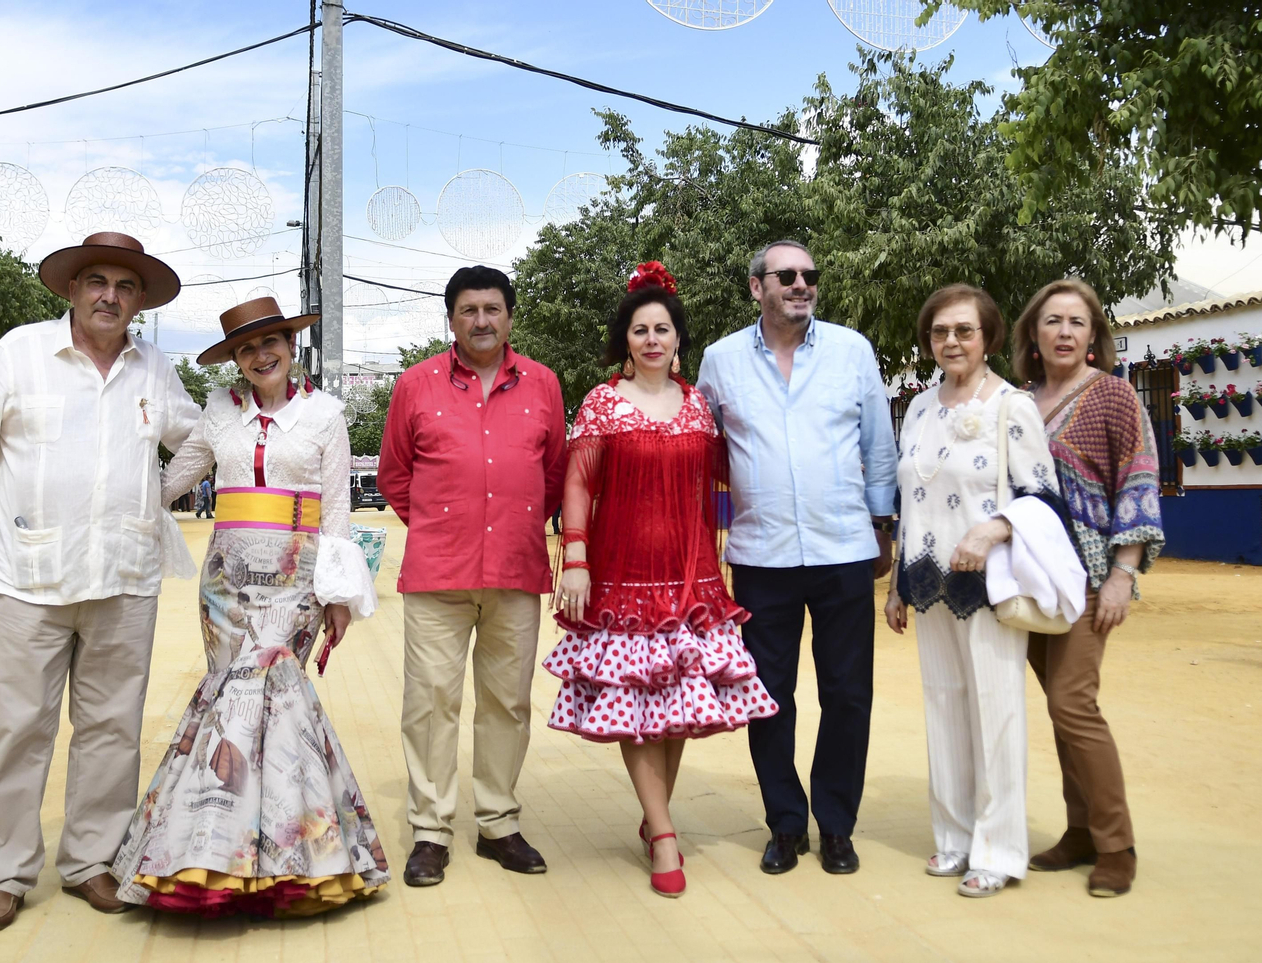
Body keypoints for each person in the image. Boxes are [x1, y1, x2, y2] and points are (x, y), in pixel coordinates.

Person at [0, 232, 201, 932]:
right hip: (30, 578)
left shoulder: (153, 369)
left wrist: (156, 494)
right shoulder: (20, 353)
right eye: (97, 281)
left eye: (125, 286)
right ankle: (6, 873)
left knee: (112, 728)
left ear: (139, 302)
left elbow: (199, 437)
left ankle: (92, 861)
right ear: (73, 290)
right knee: (16, 728)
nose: (110, 295)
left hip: (124, 577)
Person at [110, 296, 385, 917]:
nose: (261, 356)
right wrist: (108, 485)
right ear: (235, 359)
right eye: (246, 349)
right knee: (230, 702)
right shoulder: (217, 415)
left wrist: (338, 597)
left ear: (292, 347)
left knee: (272, 702)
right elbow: (172, 481)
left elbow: (338, 509)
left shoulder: (326, 414)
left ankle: (277, 862)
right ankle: (222, 858)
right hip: (225, 584)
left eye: (271, 344)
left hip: (298, 580)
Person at [544, 263, 778, 899]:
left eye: (663, 329)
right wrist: (578, 558)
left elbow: (727, 477)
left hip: (692, 576)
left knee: (675, 709)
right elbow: (578, 484)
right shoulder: (601, 402)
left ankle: (654, 818)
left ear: (679, 341)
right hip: (621, 577)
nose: (653, 339)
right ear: (626, 339)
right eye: (641, 329)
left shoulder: (700, 405)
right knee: (640, 712)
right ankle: (666, 833)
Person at [697, 240, 897, 876]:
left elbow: (879, 445)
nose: (801, 285)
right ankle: (785, 824)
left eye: (809, 275)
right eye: (786, 276)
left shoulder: (851, 351)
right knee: (768, 694)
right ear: (756, 287)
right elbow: (701, 450)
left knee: (847, 694)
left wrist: (882, 526)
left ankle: (836, 824)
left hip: (843, 549)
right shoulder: (721, 360)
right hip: (761, 555)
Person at [377, 265, 568, 888]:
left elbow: (554, 473)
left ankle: (498, 824)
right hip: (439, 574)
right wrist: (438, 525)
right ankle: (430, 831)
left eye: (492, 309)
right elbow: (394, 476)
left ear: (509, 316)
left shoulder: (543, 384)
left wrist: (511, 521)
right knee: (430, 703)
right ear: (451, 319)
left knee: (507, 703)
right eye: (469, 311)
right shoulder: (416, 384)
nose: (481, 320)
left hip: (515, 569)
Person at [884, 284, 1068, 898]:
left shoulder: (1011, 406)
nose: (952, 342)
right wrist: (895, 587)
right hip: (927, 580)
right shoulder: (916, 408)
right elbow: (908, 497)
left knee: (997, 710)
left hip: (987, 582)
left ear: (988, 336)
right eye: (940, 332)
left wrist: (992, 530)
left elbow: (1043, 495)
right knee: (943, 705)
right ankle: (955, 837)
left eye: (964, 330)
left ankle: (998, 849)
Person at [1016, 279, 1164, 898]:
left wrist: (1123, 576)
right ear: (1033, 334)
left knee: (1074, 704)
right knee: (1059, 709)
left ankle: (1116, 844)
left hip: (1089, 575)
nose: (1066, 332)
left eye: (1078, 321)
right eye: (1053, 321)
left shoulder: (1114, 397)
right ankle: (1079, 831)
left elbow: (1139, 479)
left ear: (1093, 333)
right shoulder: (1019, 403)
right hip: (1029, 576)